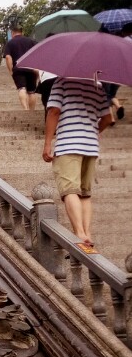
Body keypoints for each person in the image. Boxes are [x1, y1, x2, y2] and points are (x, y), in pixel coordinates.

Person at [43, 76, 114, 251]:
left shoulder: (62, 82)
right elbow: (107, 118)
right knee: (85, 193)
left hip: (68, 144)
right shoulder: (98, 86)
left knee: (69, 190)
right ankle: (87, 233)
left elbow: (54, 112)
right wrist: (92, 131)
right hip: (90, 147)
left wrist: (47, 143)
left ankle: (79, 233)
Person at [3, 24, 38, 110]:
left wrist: (10, 70)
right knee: (31, 92)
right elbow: (37, 54)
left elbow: (8, 57)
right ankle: (32, 112)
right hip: (30, 68)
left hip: (18, 69)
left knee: (22, 88)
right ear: (22, 32)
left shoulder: (10, 43)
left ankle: (25, 109)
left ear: (12, 33)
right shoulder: (30, 41)